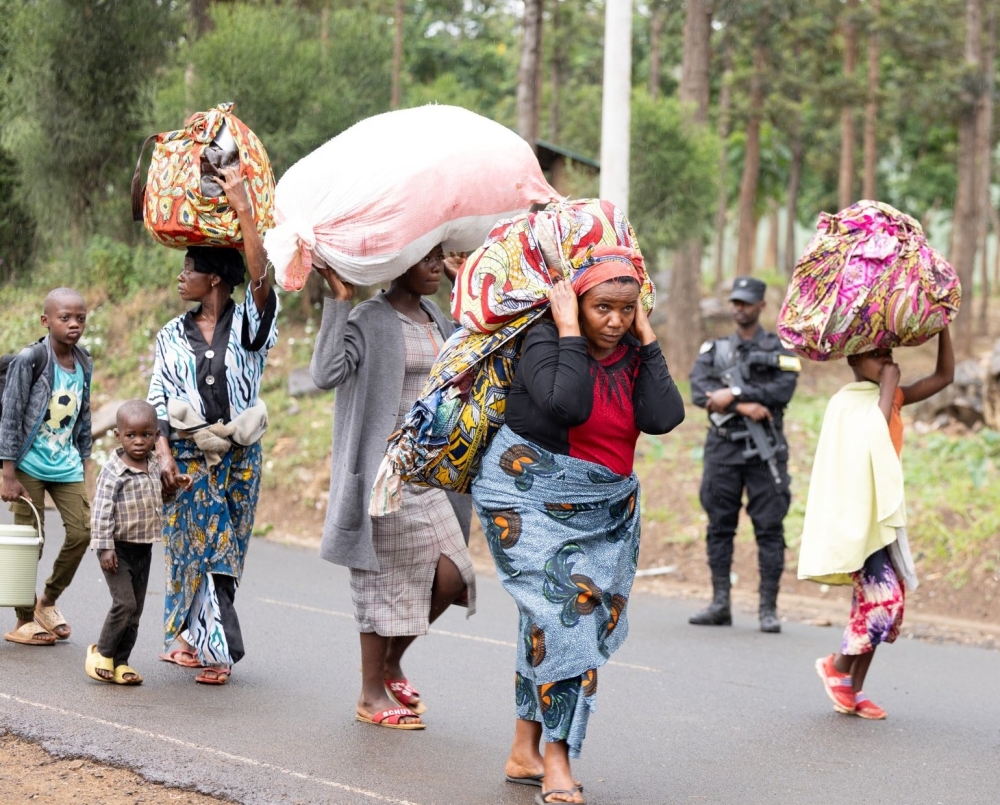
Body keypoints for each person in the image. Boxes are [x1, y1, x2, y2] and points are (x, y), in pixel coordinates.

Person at [471, 247, 685, 805]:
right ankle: (557, 759)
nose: (614, 322)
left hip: (601, 508)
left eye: (626, 309)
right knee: (568, 616)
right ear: (576, 301)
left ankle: (524, 748)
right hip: (525, 496)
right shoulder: (543, 338)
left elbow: (663, 417)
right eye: (601, 308)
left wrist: (650, 339)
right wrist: (567, 328)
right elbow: (566, 404)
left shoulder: (634, 348)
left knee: (545, 621)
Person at [310, 245, 475, 731]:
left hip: (429, 472)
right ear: (397, 264)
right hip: (384, 472)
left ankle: (390, 662)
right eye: (426, 258)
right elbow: (325, 374)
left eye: (438, 257)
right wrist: (339, 301)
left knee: (454, 574)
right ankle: (369, 695)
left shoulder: (437, 316)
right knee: (380, 582)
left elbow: (473, 354)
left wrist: (465, 281)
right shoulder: (370, 317)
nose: (434, 266)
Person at [148, 164, 278, 685]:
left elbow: (263, 278)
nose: (181, 277)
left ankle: (194, 636)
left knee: (229, 546)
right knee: (198, 544)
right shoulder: (169, 335)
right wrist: (161, 456)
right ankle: (216, 648)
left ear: (216, 278)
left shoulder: (249, 324)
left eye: (190, 269)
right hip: (185, 453)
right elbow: (159, 398)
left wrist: (244, 207)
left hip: (241, 454)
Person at [805, 328, 953, 719]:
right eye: (876, 355)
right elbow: (872, 440)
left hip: (884, 520)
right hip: (857, 521)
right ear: (854, 361)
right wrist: (888, 385)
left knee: (871, 606)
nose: (886, 360)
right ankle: (836, 666)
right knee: (885, 604)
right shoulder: (846, 403)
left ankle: (853, 689)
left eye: (888, 353)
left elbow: (944, 378)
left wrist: (943, 329)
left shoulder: (893, 397)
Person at [688, 276, 800, 633]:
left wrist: (734, 392)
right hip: (723, 446)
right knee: (720, 526)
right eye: (736, 302)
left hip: (765, 450)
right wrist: (746, 405)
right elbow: (699, 392)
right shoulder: (714, 350)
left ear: (761, 306)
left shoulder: (780, 349)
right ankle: (720, 603)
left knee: (770, 527)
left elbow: (783, 390)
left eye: (747, 302)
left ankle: (768, 609)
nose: (740, 308)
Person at [0, 288, 93, 646]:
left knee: (82, 533)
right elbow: (10, 414)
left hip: (66, 463)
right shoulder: (31, 359)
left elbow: (84, 414)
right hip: (28, 464)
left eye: (80, 318)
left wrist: (83, 462)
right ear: (46, 321)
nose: (73, 324)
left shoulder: (84, 361)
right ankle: (23, 619)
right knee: (30, 543)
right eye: (64, 318)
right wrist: (8, 472)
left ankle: (47, 601)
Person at [85, 401, 188, 685]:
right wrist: (104, 547)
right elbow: (101, 511)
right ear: (118, 435)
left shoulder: (154, 466)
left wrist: (175, 487)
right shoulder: (113, 471)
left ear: (156, 436)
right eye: (131, 435)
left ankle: (121, 662)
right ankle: (102, 653)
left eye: (146, 435)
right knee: (124, 603)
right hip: (116, 550)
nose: (139, 442)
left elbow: (162, 500)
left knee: (136, 612)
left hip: (144, 550)